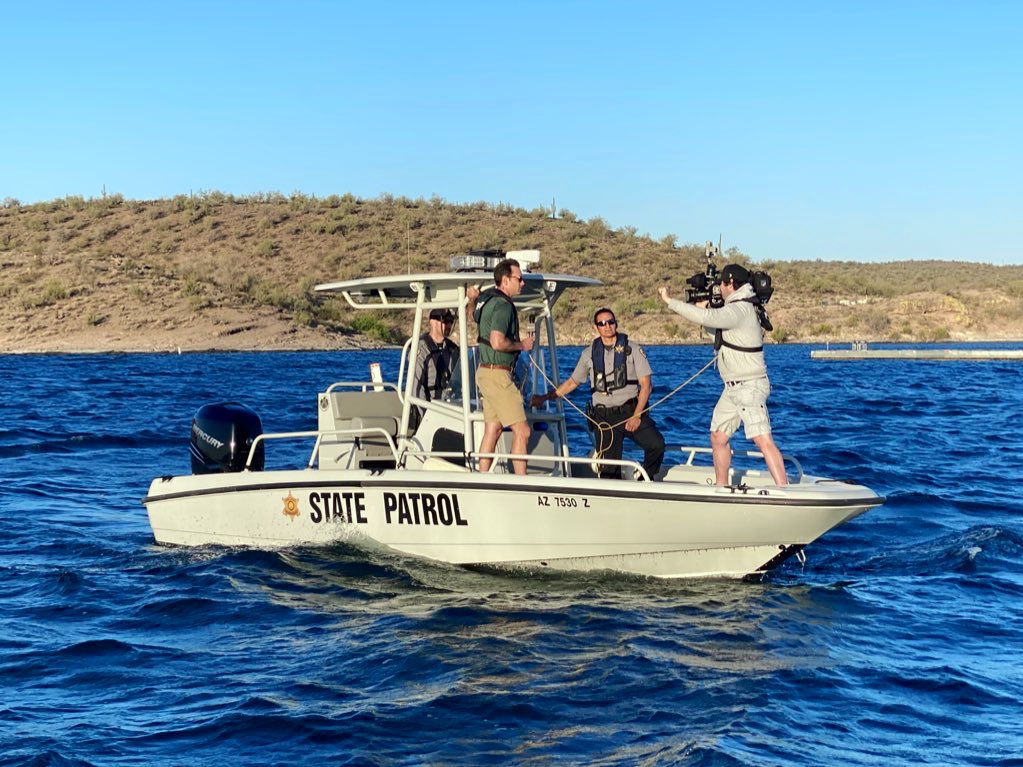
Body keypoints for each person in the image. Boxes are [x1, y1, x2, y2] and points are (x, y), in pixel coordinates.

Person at [658, 264, 788, 486]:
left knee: (762, 439)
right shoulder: (739, 307)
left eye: (721, 284)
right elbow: (720, 334)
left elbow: (708, 317)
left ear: (730, 284)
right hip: (733, 387)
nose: (718, 288)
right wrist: (705, 312)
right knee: (718, 436)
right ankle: (721, 486)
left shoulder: (739, 309)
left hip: (749, 385)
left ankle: (784, 489)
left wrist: (671, 302)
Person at [530, 308, 666, 480]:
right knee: (609, 469)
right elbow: (573, 382)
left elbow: (646, 385)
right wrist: (544, 397)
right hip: (604, 418)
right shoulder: (588, 354)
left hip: (631, 412)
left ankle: (645, 478)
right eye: (602, 323)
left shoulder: (632, 349)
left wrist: (637, 415)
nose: (607, 326)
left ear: (616, 323)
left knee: (657, 445)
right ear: (596, 328)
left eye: (611, 322)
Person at [474, 258, 534, 475]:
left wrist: (471, 299)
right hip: (498, 375)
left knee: (493, 428)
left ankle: (481, 478)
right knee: (524, 431)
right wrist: (522, 345)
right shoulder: (504, 306)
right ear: (506, 280)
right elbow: (498, 341)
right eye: (520, 278)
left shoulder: (486, 301)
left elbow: (474, 315)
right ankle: (521, 483)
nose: (523, 283)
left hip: (485, 373)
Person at [412, 308, 459, 404]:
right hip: (431, 407)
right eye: (445, 321)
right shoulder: (422, 349)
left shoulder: (454, 349)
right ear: (433, 322)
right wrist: (426, 415)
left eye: (451, 321)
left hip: (452, 406)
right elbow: (416, 388)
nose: (449, 325)